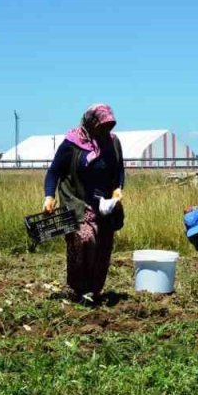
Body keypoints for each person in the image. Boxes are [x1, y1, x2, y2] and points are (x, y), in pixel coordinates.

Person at [43, 103, 125, 300]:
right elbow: (54, 172)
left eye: (108, 126)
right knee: (85, 240)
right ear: (90, 123)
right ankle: (77, 287)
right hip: (76, 201)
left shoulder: (113, 142)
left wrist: (117, 189)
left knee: (103, 245)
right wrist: (49, 196)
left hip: (104, 203)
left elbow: (119, 171)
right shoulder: (72, 143)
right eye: (101, 126)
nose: (105, 130)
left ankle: (94, 291)